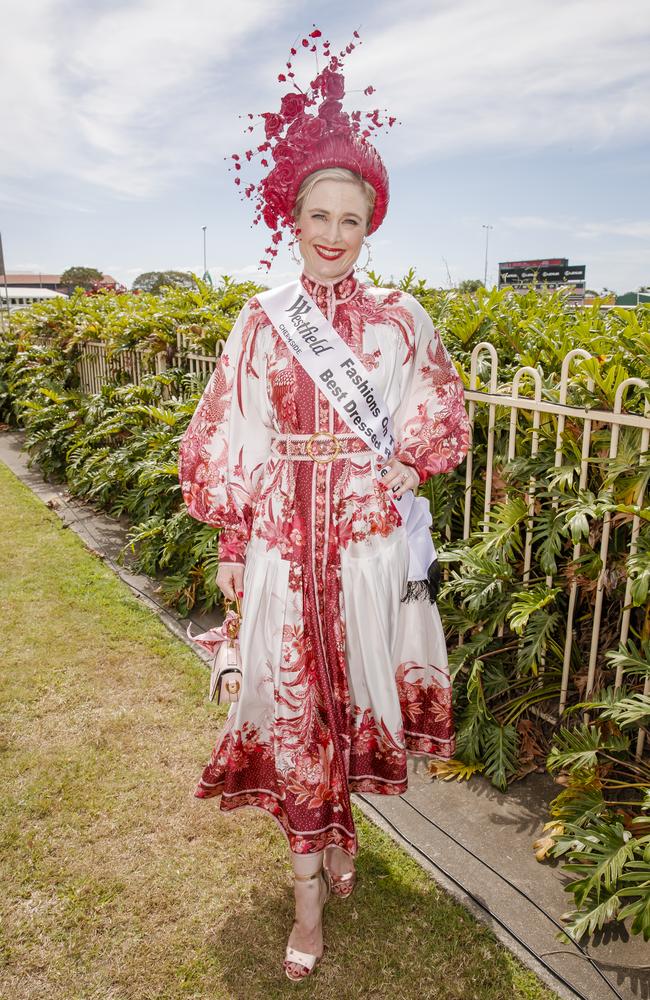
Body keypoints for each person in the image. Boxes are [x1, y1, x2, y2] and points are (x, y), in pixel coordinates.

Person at [178, 30, 470, 983]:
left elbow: (437, 412)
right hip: (278, 546)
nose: (335, 234)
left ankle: (345, 836)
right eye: (319, 215)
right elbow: (233, 432)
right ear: (291, 217)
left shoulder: (401, 318)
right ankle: (307, 894)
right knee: (298, 707)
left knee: (352, 701)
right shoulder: (262, 321)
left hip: (366, 549)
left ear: (371, 222)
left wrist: (405, 473)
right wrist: (230, 537)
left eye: (352, 218)